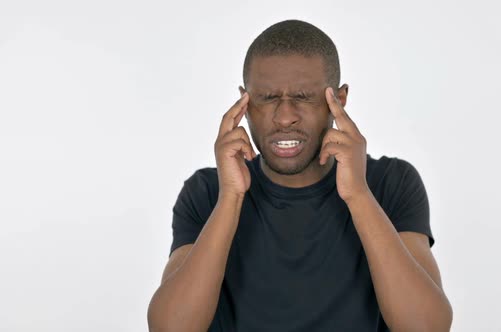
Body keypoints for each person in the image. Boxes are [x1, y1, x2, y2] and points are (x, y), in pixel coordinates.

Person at [147, 19, 453, 332]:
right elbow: (170, 328)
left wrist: (358, 195)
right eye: (267, 98)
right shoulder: (208, 191)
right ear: (244, 102)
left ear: (339, 99)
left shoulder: (391, 182)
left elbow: (426, 327)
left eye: (304, 96)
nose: (285, 117)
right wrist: (230, 199)